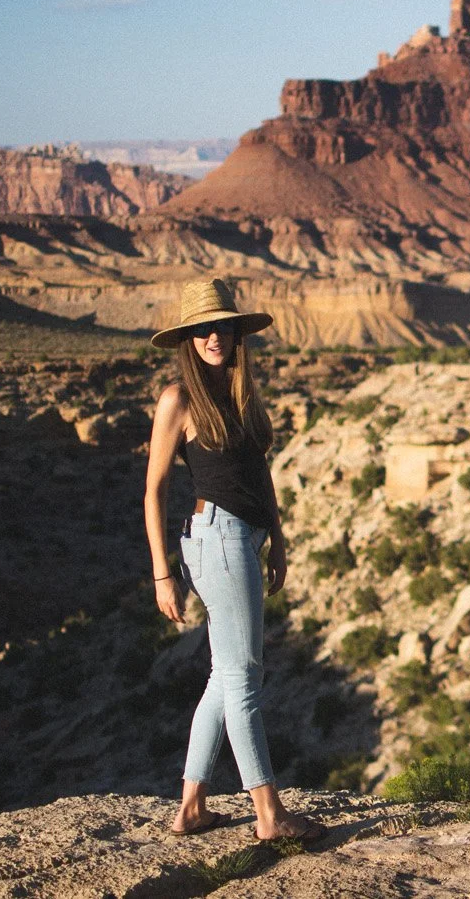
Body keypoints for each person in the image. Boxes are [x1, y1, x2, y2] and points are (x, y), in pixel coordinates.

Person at [143, 278, 323, 840]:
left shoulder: (240, 394)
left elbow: (258, 473)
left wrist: (279, 539)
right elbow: (154, 491)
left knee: (227, 676)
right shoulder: (179, 400)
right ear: (188, 339)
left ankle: (191, 807)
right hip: (215, 539)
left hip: (245, 538)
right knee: (246, 677)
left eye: (223, 326)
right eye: (203, 329)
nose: (214, 337)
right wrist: (161, 574)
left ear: (236, 334)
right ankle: (269, 815)